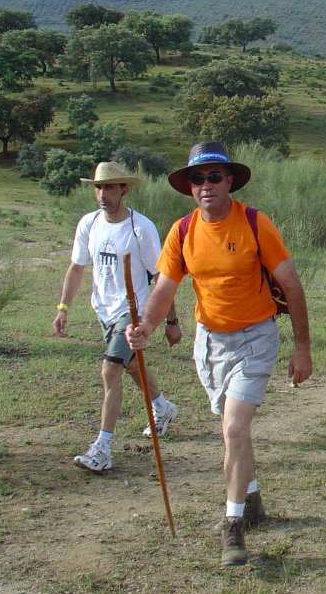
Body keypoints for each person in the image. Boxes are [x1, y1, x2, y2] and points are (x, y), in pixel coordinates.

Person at [125, 141, 313, 568]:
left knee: (233, 429)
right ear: (190, 185)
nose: (206, 185)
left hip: (256, 339)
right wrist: (147, 327)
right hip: (209, 343)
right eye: (198, 178)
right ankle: (251, 498)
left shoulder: (254, 224)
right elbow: (163, 289)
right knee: (233, 429)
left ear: (229, 180)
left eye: (214, 176)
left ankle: (232, 527)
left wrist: (302, 348)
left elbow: (293, 285)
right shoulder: (183, 231)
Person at [53, 161, 181, 474]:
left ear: (124, 189)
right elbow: (77, 267)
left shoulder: (141, 228)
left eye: (110, 187)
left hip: (133, 311)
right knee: (131, 365)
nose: (103, 193)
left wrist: (171, 321)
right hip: (103, 309)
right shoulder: (89, 224)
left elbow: (162, 278)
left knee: (111, 369)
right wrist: (63, 308)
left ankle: (102, 448)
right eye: (98, 187)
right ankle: (162, 407)